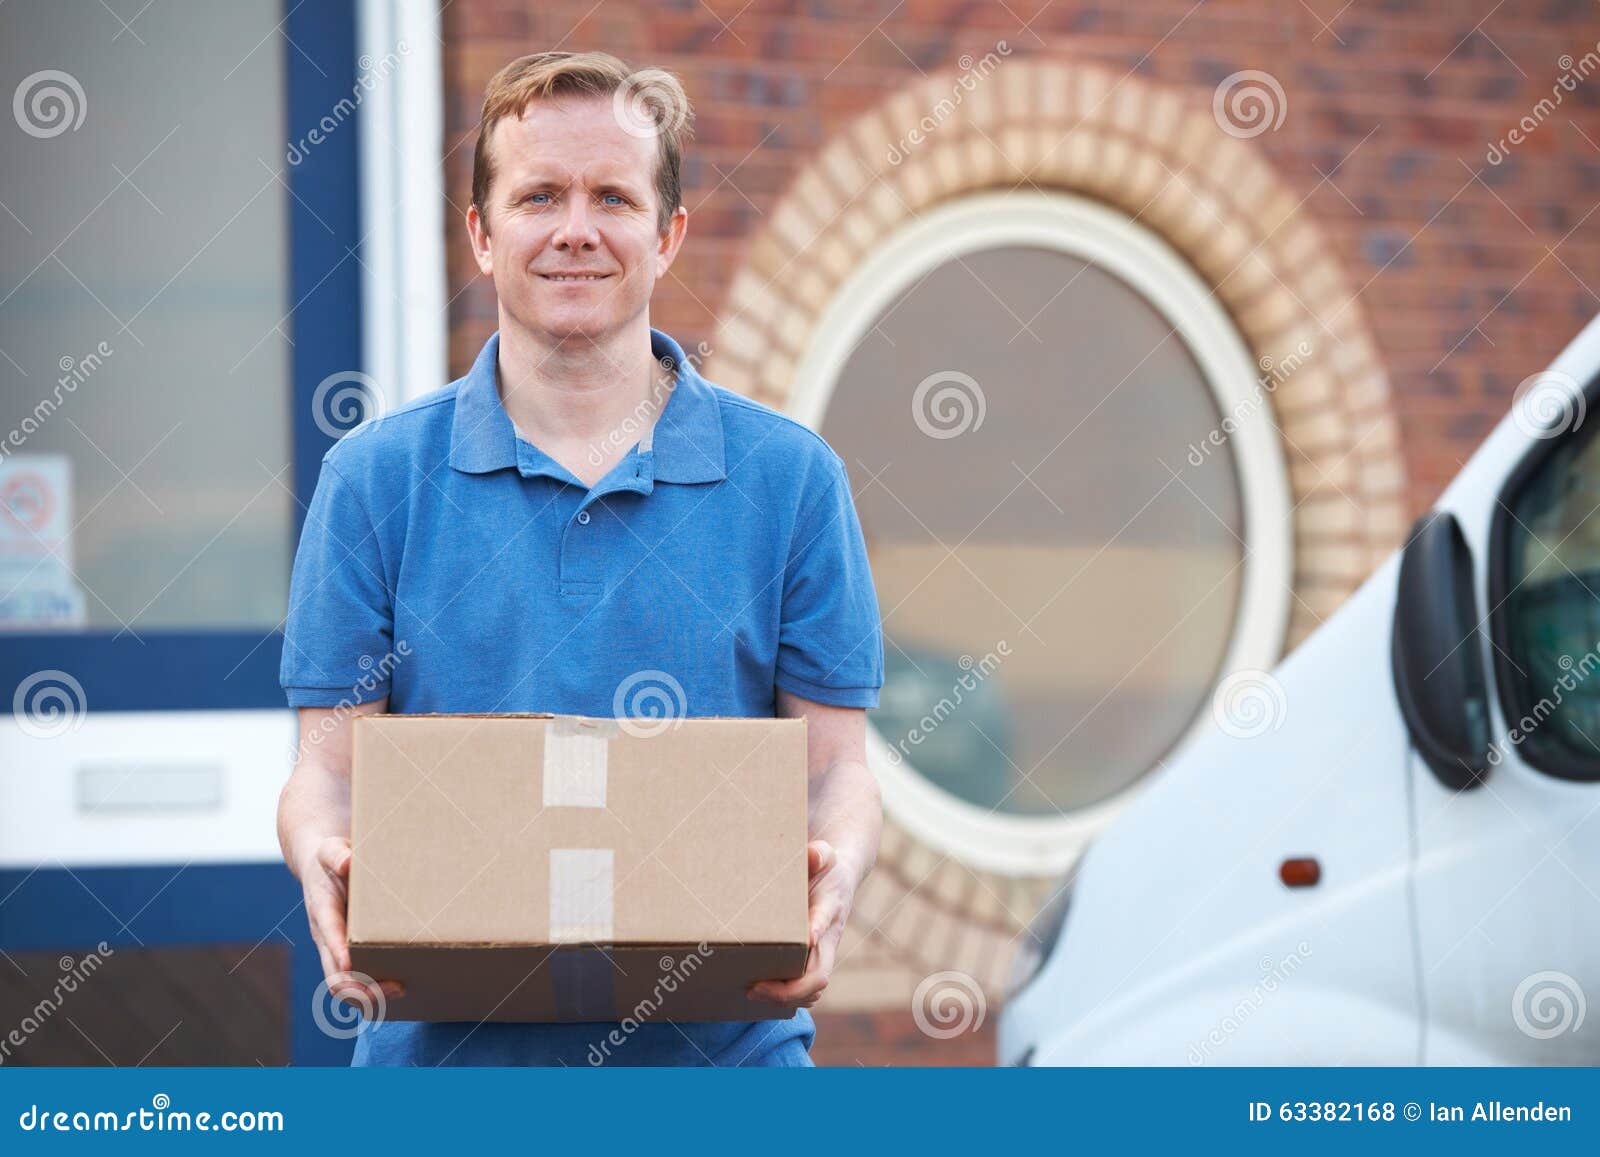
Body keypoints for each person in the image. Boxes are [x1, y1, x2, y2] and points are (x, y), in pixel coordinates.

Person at [274, 50, 885, 1066]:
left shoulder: (789, 480)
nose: (575, 228)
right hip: (444, 1066)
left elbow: (839, 772)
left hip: (723, 1062)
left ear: (667, 232)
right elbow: (324, 773)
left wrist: (839, 873)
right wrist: (322, 855)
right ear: (480, 232)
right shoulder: (375, 480)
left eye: (612, 195)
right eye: (538, 195)